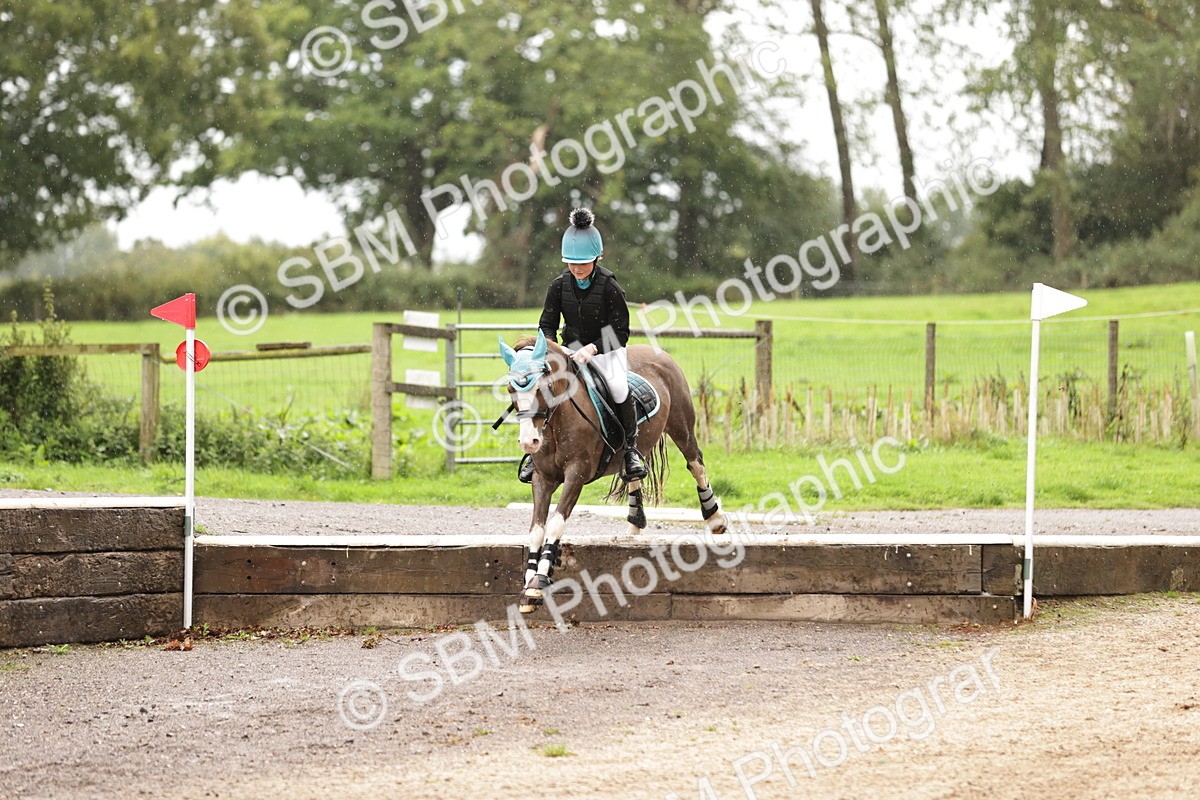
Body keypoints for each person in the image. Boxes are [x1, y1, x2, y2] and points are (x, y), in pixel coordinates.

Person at [517, 207, 647, 484]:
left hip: (606, 351)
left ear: (597, 258)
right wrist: (555, 347)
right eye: (571, 263)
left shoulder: (611, 287)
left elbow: (621, 331)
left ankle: (631, 452)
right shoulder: (558, 286)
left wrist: (592, 349)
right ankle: (535, 455)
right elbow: (546, 324)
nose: (576, 268)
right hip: (569, 350)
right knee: (545, 388)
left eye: (583, 263)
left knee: (618, 387)